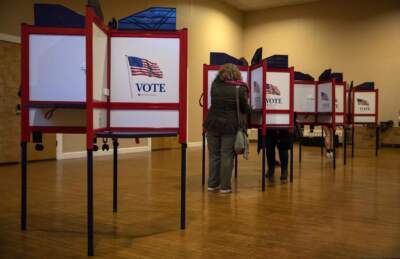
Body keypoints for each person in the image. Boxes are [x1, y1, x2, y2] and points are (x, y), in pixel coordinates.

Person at [203, 63, 250, 194]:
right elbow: (245, 108)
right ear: (236, 74)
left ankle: (212, 185)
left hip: (212, 124)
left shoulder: (215, 85)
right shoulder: (239, 88)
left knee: (214, 156)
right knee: (227, 156)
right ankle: (225, 187)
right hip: (229, 126)